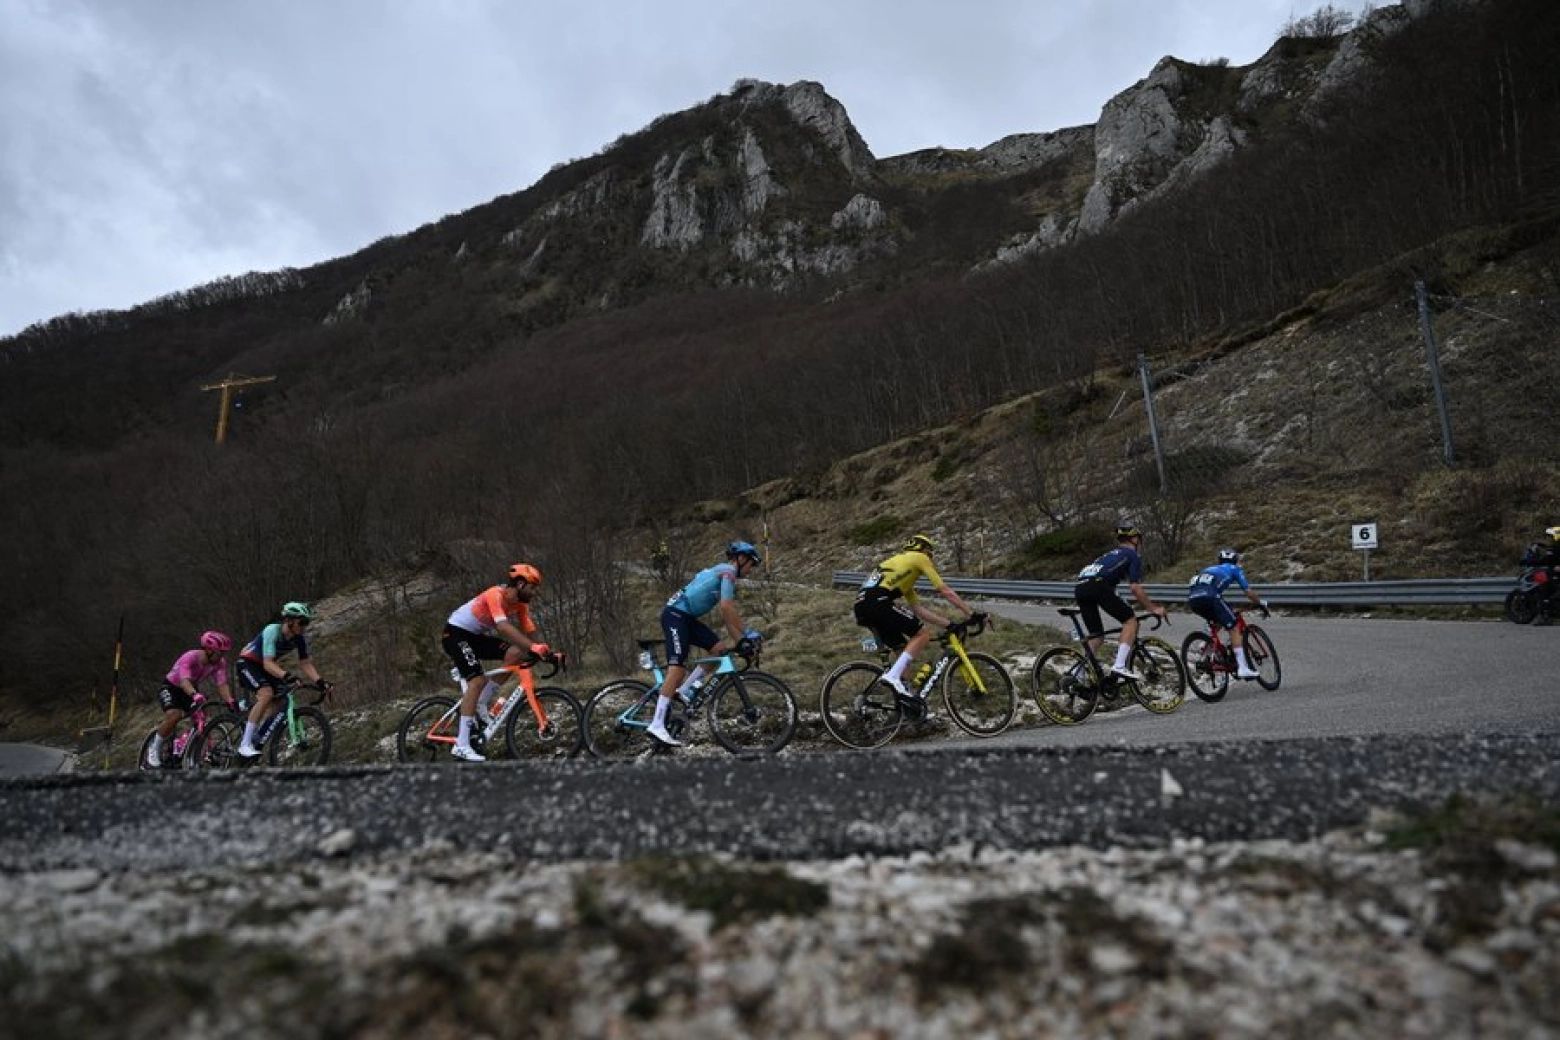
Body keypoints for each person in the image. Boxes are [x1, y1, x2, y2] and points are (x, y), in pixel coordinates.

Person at [647, 540, 764, 747]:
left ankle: (683, 692)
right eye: (751, 564)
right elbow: (727, 608)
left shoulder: (726, 574)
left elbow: (729, 616)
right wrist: (744, 636)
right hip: (675, 615)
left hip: (687, 618)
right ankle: (657, 724)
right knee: (676, 670)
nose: (751, 569)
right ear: (741, 559)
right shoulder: (728, 571)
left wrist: (742, 641)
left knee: (719, 651)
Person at [442, 563, 559, 762]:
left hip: (474, 637)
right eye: (533, 588)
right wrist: (533, 647)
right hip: (455, 633)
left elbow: (530, 630)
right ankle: (461, 745)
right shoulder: (495, 594)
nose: (535, 593)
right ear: (520, 584)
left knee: (515, 655)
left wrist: (547, 652)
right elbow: (503, 627)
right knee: (477, 681)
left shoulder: (521, 605)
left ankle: (480, 701)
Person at [852, 533, 979, 704]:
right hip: (878, 602)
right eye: (930, 554)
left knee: (903, 650)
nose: (930, 558)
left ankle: (907, 703)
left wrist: (949, 624)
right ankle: (893, 677)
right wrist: (970, 613)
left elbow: (918, 609)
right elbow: (944, 590)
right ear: (925, 550)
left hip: (863, 606)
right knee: (923, 635)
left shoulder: (902, 568)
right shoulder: (920, 558)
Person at [1073, 521, 1168, 681]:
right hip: (1098, 585)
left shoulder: (1109, 555)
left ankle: (1078, 675)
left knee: (1096, 636)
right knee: (1130, 621)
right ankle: (1119, 665)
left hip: (1081, 587)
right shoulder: (1132, 555)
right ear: (1135, 539)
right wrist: (1153, 608)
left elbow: (1111, 589)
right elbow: (1135, 588)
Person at [234, 602, 330, 758]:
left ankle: (257, 736)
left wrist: (320, 681)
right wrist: (286, 675)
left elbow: (305, 663)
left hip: (265, 667)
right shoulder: (272, 630)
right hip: (248, 663)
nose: (305, 626)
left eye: (307, 622)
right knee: (266, 694)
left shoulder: (299, 638)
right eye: (302, 622)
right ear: (289, 620)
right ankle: (244, 745)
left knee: (280, 700)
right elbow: (268, 662)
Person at [147, 630, 235, 768]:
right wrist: (195, 694)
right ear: (208, 650)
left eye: (223, 653)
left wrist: (230, 700)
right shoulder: (190, 657)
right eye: (219, 652)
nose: (222, 656)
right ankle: (153, 749)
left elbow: (222, 684)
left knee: (200, 718)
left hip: (190, 689)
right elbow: (184, 681)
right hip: (172, 687)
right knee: (174, 715)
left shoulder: (220, 663)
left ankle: (187, 749)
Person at [1185, 548, 1269, 680]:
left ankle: (1207, 643)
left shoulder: (1209, 569)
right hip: (1211, 597)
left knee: (1219, 617)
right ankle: (1243, 668)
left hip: (1193, 599)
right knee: (1234, 627)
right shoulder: (1235, 569)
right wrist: (1260, 603)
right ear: (1235, 561)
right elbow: (1248, 591)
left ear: (1219, 560)